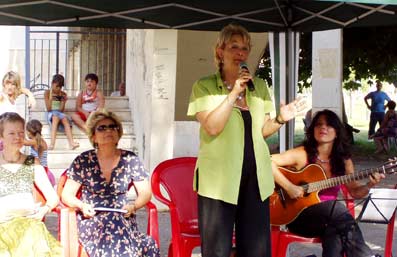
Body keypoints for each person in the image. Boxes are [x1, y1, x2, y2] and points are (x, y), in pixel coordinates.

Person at [187, 24, 306, 257]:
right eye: (234, 47)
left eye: (245, 48)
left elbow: (261, 130)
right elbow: (212, 127)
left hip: (256, 179)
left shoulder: (258, 86)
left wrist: (281, 118)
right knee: (216, 251)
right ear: (220, 51)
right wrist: (233, 95)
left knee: (256, 250)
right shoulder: (204, 87)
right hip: (218, 182)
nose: (241, 53)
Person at [271, 109, 384, 257]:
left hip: (332, 220)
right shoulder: (302, 154)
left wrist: (369, 185)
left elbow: (355, 192)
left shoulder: (344, 161)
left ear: (337, 132)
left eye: (329, 125)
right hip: (298, 216)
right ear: (313, 130)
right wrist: (289, 187)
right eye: (318, 124)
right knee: (336, 209)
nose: (323, 127)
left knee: (335, 232)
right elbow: (267, 161)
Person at [61, 109, 160, 257]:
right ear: (93, 136)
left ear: (118, 133)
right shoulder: (83, 160)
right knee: (118, 242)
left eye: (113, 127)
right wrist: (82, 206)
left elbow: (146, 192)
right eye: (102, 128)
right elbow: (66, 194)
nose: (109, 130)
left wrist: (134, 206)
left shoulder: (130, 159)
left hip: (122, 218)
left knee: (144, 243)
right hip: (93, 220)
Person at [0, 112, 61, 256]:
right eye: (12, 133)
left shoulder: (32, 162)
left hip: (28, 225)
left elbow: (53, 197)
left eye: (21, 133)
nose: (18, 137)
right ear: (1, 136)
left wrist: (44, 210)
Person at [0, 71, 36, 151]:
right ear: (4, 85)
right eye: (7, 84)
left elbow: (23, 90)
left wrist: (30, 96)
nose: (9, 87)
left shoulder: (13, 97)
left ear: (16, 86)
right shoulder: (2, 97)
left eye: (12, 84)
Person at [44, 74, 79, 150]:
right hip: (51, 113)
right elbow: (48, 109)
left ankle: (71, 143)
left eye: (60, 87)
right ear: (52, 83)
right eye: (56, 86)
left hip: (59, 112)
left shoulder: (63, 94)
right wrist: (52, 99)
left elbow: (61, 110)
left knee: (65, 119)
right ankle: (52, 144)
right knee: (55, 117)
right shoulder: (47, 93)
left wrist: (63, 101)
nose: (58, 89)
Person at [25, 119, 56, 186]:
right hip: (44, 170)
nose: (26, 133)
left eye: (26, 131)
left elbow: (23, 142)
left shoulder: (35, 141)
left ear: (29, 132)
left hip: (40, 172)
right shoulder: (40, 140)